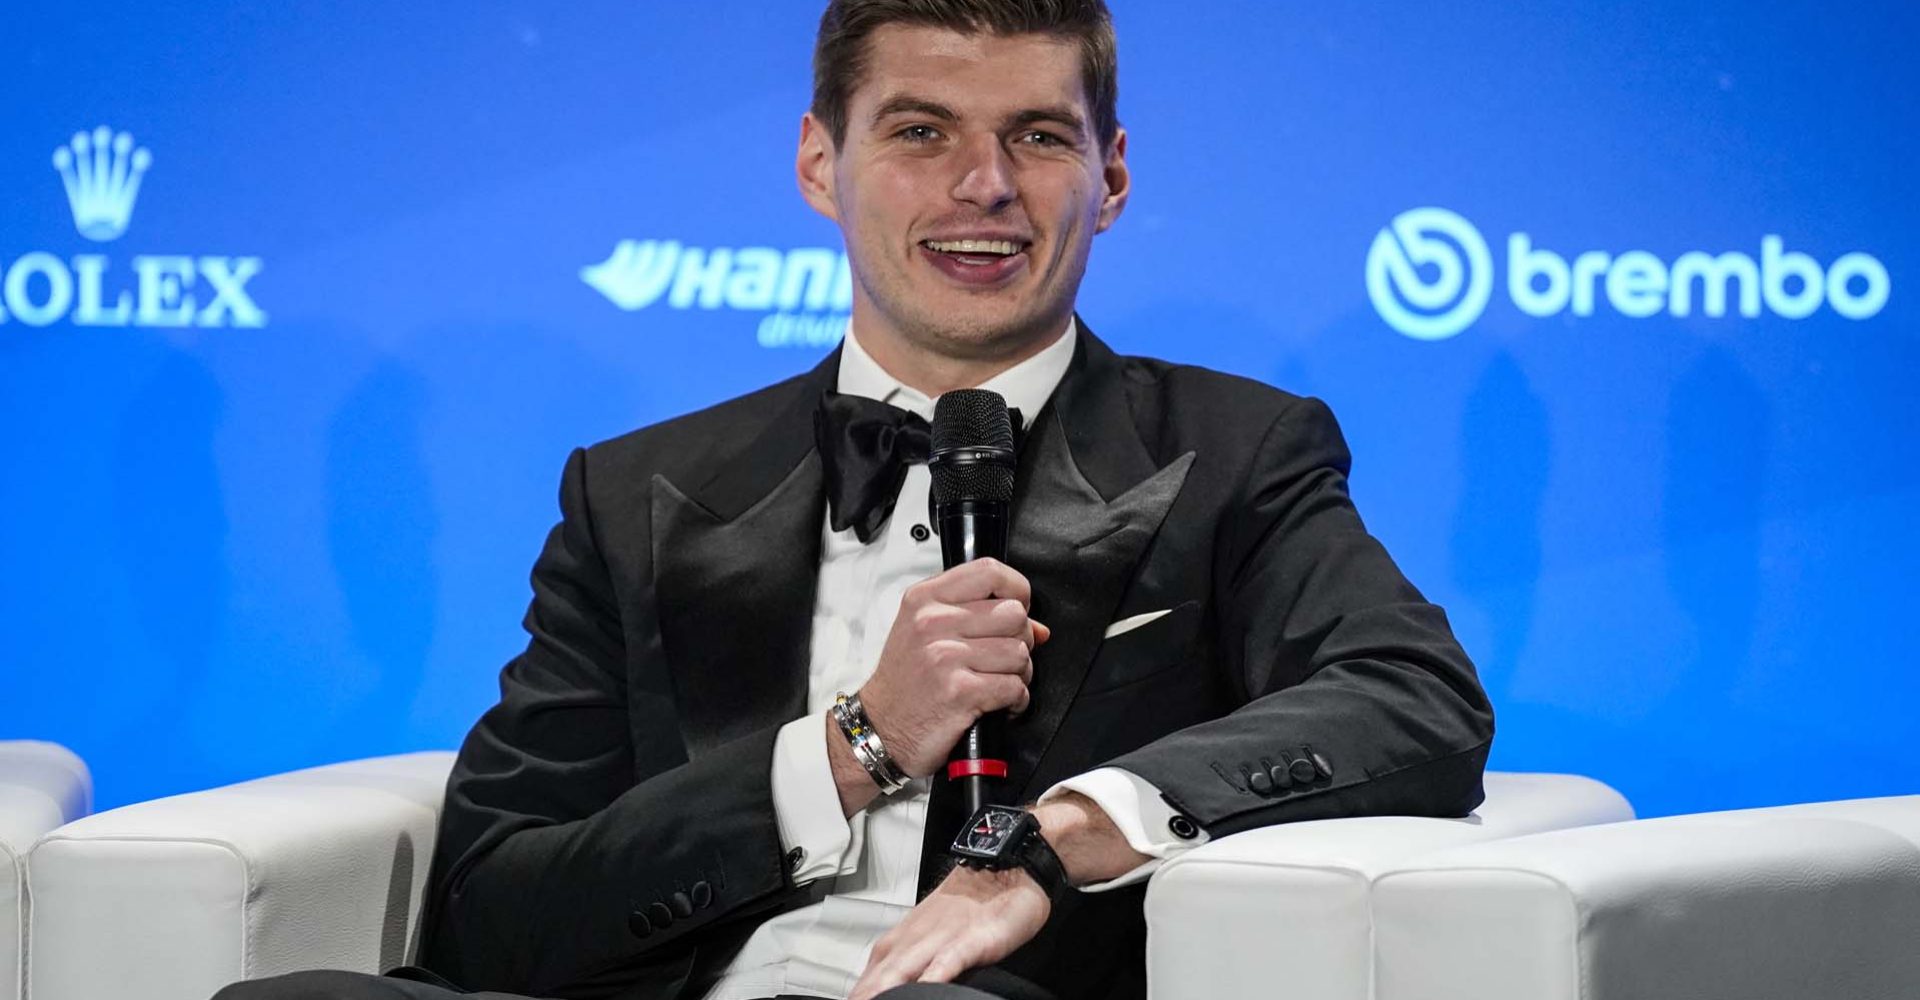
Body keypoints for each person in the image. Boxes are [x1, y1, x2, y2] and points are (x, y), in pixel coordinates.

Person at [216, 1, 1492, 998]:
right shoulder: (637, 489)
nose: (983, 184)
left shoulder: (1235, 450)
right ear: (821, 163)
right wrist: (852, 745)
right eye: (920, 130)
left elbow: (1410, 695)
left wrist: (1052, 840)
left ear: (1110, 174)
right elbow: (492, 909)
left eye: (1039, 136)